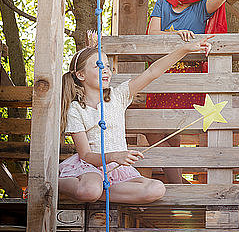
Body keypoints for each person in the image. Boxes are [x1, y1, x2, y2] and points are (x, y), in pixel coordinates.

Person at [145, 0, 239, 182]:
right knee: (152, 127)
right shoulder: (163, 2)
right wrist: (176, 34)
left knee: (174, 129)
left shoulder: (201, 7)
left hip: (187, 76)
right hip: (161, 74)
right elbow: (152, 32)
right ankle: (179, 182)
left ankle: (176, 183)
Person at [58, 36, 212, 204]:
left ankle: (98, 195)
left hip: (117, 171)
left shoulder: (118, 96)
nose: (106, 71)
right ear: (80, 75)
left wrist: (185, 49)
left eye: (108, 66)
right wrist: (115, 156)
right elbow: (86, 155)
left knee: (157, 189)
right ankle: (54, 183)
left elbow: (152, 72)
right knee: (91, 188)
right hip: (91, 170)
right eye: (99, 66)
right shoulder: (76, 109)